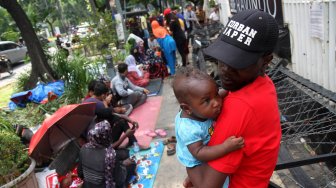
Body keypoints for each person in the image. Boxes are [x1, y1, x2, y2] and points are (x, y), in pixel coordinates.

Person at [183, 9, 282, 187]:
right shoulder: (263, 84)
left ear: (266, 61)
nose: (226, 69)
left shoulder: (239, 107)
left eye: (238, 61)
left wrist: (188, 160)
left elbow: (207, 185)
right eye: (223, 57)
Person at [172, 67, 244, 187]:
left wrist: (227, 89)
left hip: (206, 147)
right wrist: (225, 147)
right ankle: (192, 179)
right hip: (196, 162)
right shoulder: (189, 129)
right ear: (187, 108)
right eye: (207, 100)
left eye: (216, 94)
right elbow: (199, 152)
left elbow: (215, 94)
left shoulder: (199, 108)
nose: (216, 102)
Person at [78, 120, 137, 188]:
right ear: (107, 136)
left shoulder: (83, 148)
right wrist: (123, 165)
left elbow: (80, 174)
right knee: (132, 164)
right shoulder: (110, 155)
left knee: (121, 159)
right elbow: (120, 180)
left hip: (87, 186)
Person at [83, 81, 137, 148]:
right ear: (103, 95)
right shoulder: (99, 104)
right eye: (106, 95)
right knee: (120, 121)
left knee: (118, 118)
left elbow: (113, 114)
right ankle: (134, 142)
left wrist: (130, 120)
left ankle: (133, 142)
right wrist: (105, 102)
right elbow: (113, 114)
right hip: (99, 142)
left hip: (91, 138)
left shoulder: (87, 101)